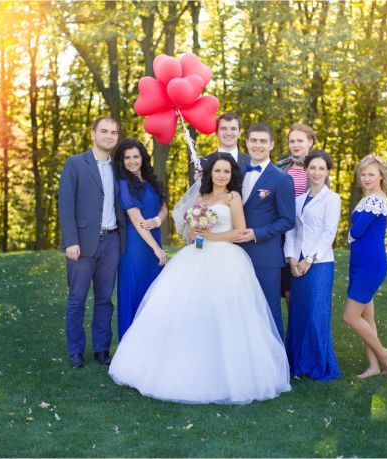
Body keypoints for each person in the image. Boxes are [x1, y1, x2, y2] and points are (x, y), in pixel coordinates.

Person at [108, 154, 290, 404]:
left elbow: (239, 230)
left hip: (226, 259)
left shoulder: (232, 197)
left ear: (231, 175)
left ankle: (225, 372)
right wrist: (195, 227)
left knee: (223, 312)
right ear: (210, 173)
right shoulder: (199, 198)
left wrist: (211, 236)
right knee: (185, 310)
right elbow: (191, 234)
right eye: (218, 171)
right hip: (195, 255)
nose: (222, 175)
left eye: (227, 171)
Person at [58, 117, 126, 369]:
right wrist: (71, 241)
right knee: (77, 299)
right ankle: (76, 351)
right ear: (93, 134)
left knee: (104, 299)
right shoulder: (75, 164)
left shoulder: (118, 168)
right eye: (104, 131)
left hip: (111, 242)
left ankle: (101, 349)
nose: (109, 136)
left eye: (114, 132)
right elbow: (65, 205)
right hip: (83, 243)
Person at [233, 123, 295, 340]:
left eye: (262, 141)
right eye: (253, 140)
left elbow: (287, 220)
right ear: (247, 142)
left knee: (268, 312)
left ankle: (277, 370)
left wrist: (256, 233)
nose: (257, 145)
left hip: (266, 256)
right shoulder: (236, 174)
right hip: (234, 254)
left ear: (271, 144)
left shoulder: (282, 178)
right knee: (240, 311)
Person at [283, 150, 341, 381]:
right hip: (297, 263)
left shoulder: (332, 198)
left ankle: (319, 364)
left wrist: (309, 260)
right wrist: (291, 260)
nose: (316, 172)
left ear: (327, 172)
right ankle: (297, 362)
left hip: (319, 264)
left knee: (316, 314)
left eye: (321, 168)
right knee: (298, 314)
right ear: (305, 169)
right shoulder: (297, 200)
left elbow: (329, 233)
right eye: (312, 168)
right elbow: (292, 231)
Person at [343, 153, 387, 378]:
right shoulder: (370, 197)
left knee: (350, 317)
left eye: (371, 174)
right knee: (367, 317)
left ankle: (384, 354)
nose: (366, 178)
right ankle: (375, 367)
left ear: (381, 176)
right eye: (363, 174)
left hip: (370, 265)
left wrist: (350, 233)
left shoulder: (376, 199)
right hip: (361, 262)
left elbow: (357, 230)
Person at [114, 138, 168, 340]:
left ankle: (152, 341)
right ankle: (131, 344)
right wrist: (156, 249)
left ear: (142, 157)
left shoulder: (151, 179)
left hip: (153, 237)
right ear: (122, 160)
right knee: (136, 290)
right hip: (136, 245)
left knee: (153, 292)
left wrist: (156, 220)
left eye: (135, 156)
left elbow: (164, 207)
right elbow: (136, 220)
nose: (131, 161)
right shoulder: (124, 184)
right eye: (127, 157)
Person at [276, 123, 317, 308]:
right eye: (292, 141)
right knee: (286, 285)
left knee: (302, 284)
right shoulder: (281, 167)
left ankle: (302, 330)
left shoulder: (318, 168)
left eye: (300, 140)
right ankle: (293, 330)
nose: (295, 144)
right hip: (283, 231)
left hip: (305, 232)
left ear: (310, 142)